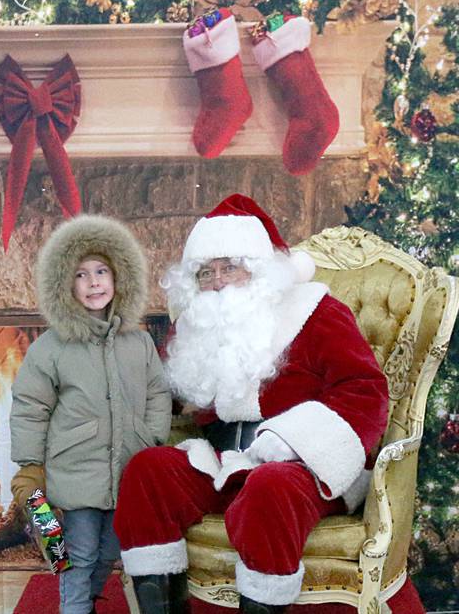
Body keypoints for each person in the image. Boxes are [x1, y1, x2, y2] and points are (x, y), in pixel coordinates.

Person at [113, 194, 389, 614]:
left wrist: (294, 440)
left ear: (258, 269)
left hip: (305, 466)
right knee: (146, 472)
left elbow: (366, 390)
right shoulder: (197, 326)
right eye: (207, 273)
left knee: (268, 488)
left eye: (230, 267)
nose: (218, 281)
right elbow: (165, 393)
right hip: (225, 462)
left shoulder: (316, 312)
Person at [9, 214, 172, 614]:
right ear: (66, 284)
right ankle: (76, 607)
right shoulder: (52, 347)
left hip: (129, 469)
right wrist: (31, 464)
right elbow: (31, 406)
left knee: (111, 550)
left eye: (102, 271)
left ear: (120, 277)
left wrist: (151, 438)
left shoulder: (139, 343)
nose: (94, 282)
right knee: (76, 554)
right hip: (75, 471)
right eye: (81, 274)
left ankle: (88, 600)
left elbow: (157, 391)